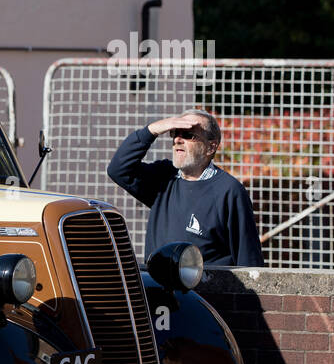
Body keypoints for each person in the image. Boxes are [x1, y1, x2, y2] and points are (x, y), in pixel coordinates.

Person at [107, 109, 264, 266]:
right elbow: (119, 169)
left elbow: (248, 258)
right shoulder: (164, 177)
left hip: (204, 289)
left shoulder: (229, 191)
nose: (177, 140)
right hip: (158, 288)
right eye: (175, 134)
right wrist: (153, 130)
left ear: (211, 147)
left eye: (189, 135)